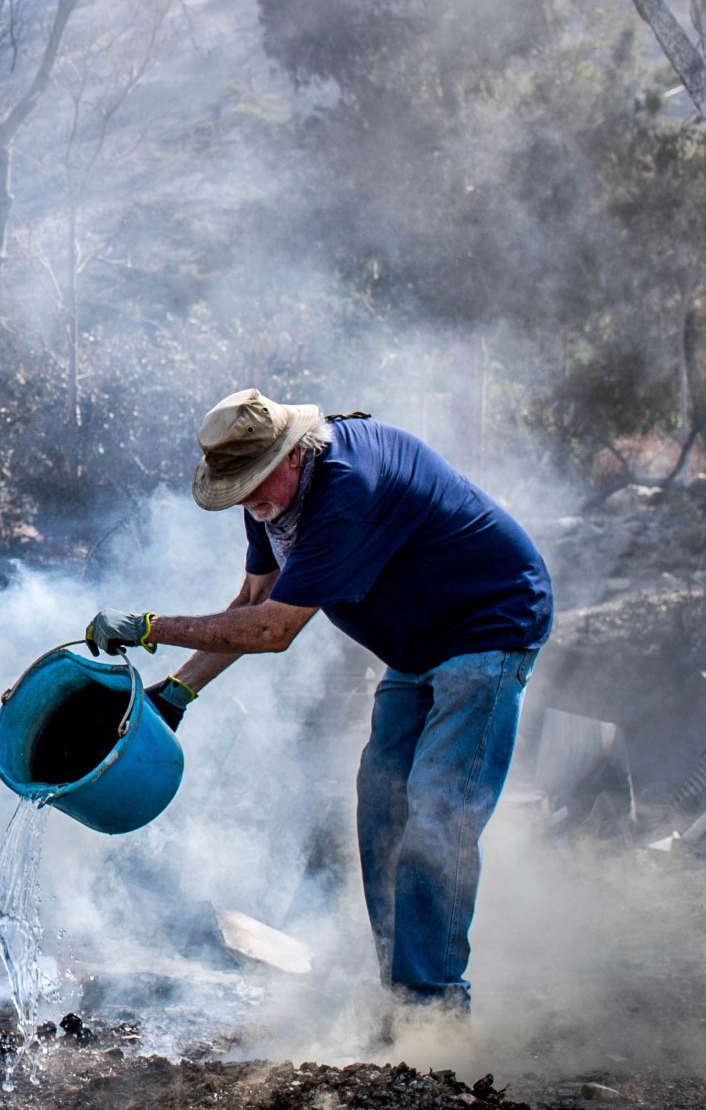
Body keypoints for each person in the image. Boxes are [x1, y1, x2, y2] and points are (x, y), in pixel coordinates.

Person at [84, 388, 552, 1009]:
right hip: (417, 649)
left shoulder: (346, 488)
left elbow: (274, 630)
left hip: (491, 624)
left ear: (292, 455)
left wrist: (149, 626)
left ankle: (434, 1005)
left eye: (254, 482)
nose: (249, 501)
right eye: (237, 488)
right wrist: (176, 692)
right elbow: (251, 605)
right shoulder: (271, 501)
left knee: (438, 812)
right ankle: (400, 990)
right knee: (381, 808)